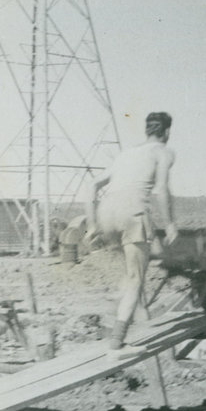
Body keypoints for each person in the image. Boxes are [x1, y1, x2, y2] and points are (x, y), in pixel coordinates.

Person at [86, 112, 178, 354]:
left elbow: (93, 185)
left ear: (147, 130)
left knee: (129, 274)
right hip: (133, 213)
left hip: (107, 214)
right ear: (167, 132)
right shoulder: (164, 152)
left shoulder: (126, 154)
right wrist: (169, 225)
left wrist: (91, 224)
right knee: (136, 279)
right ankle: (116, 345)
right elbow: (161, 190)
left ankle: (124, 311)